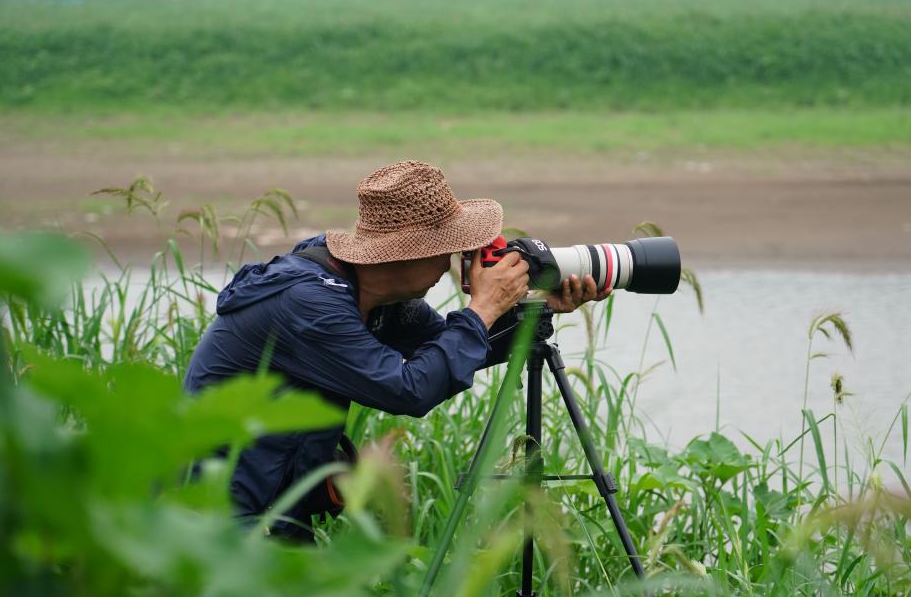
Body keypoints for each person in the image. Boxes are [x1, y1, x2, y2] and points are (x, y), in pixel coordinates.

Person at [184, 160, 609, 541]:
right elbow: (410, 390)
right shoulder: (311, 303)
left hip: (276, 510)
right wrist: (482, 307)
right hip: (221, 520)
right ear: (407, 254)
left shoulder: (364, 291)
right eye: (445, 251)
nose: (451, 264)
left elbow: (449, 350)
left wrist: (533, 308)